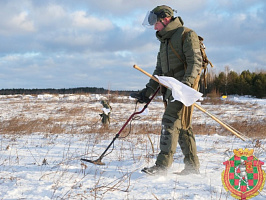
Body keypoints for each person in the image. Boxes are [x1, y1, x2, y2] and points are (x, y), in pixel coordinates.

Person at [132, 5, 202, 175]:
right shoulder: (164, 42)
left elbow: (195, 63)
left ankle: (162, 166)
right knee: (183, 126)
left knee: (169, 121)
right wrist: (146, 92)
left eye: (155, 23)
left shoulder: (187, 35)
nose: (154, 27)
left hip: (185, 89)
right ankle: (192, 167)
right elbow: (158, 71)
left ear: (165, 19)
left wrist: (184, 86)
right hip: (172, 90)